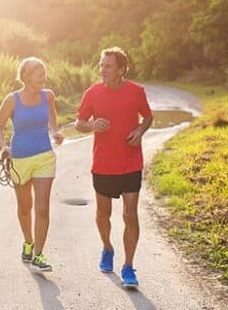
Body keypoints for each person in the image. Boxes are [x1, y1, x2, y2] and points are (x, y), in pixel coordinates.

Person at [75, 47, 153, 289]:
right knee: (103, 214)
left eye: (107, 66)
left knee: (130, 214)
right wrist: (91, 125)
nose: (102, 70)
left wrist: (140, 131)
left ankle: (128, 266)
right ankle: (107, 247)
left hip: (130, 161)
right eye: (101, 65)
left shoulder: (136, 92)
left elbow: (148, 116)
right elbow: (78, 123)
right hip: (103, 164)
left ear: (121, 69)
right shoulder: (92, 93)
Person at [0, 57, 64, 272]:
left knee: (42, 208)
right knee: (25, 207)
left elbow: (52, 116)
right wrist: (4, 147)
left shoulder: (48, 96)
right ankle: (28, 242)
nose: (43, 77)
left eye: (44, 72)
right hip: (20, 159)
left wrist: (55, 131)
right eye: (38, 73)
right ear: (25, 76)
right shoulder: (12, 100)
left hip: (44, 156)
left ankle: (39, 255)